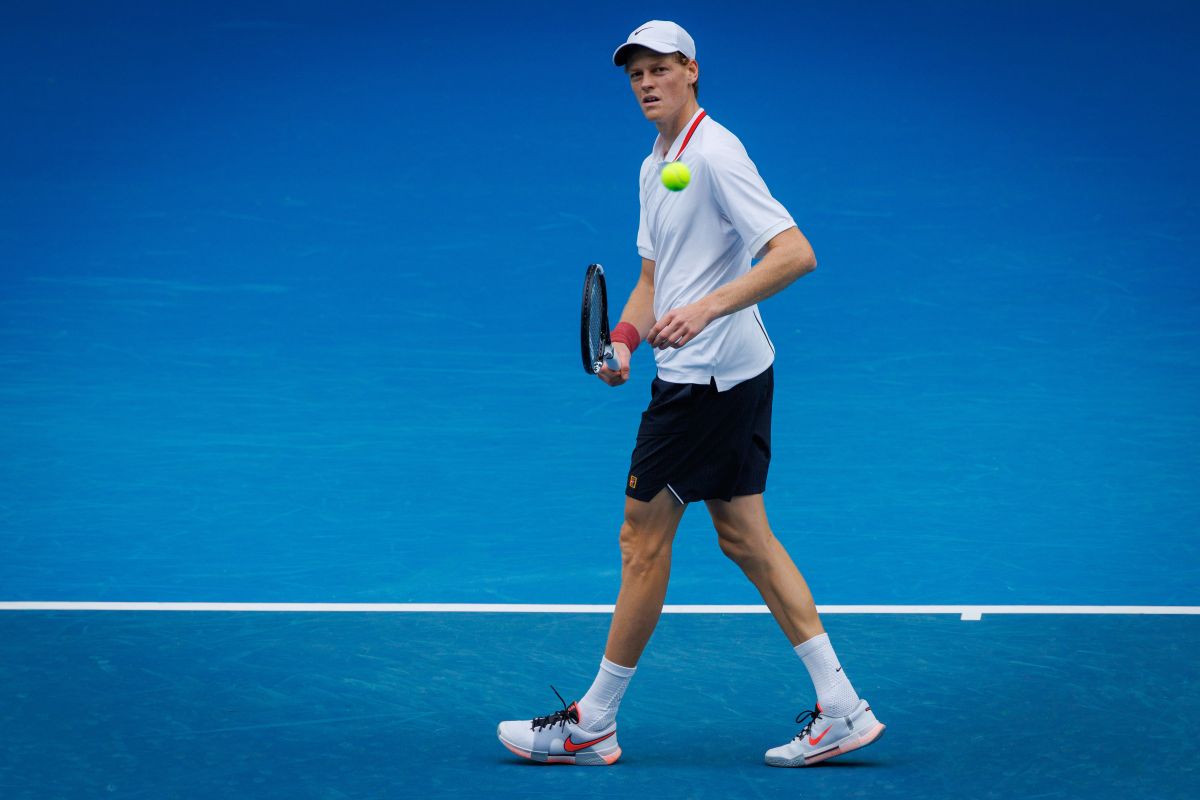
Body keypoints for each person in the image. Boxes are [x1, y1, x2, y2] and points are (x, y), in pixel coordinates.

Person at [497, 20, 885, 768]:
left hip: (705, 383)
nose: (646, 83)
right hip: (736, 374)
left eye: (660, 69)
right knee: (745, 537)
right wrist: (624, 341)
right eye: (635, 73)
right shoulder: (656, 165)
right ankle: (842, 707)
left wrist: (708, 307)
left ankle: (593, 723)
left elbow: (796, 253)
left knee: (640, 541)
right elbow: (653, 280)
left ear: (692, 71)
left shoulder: (714, 154)